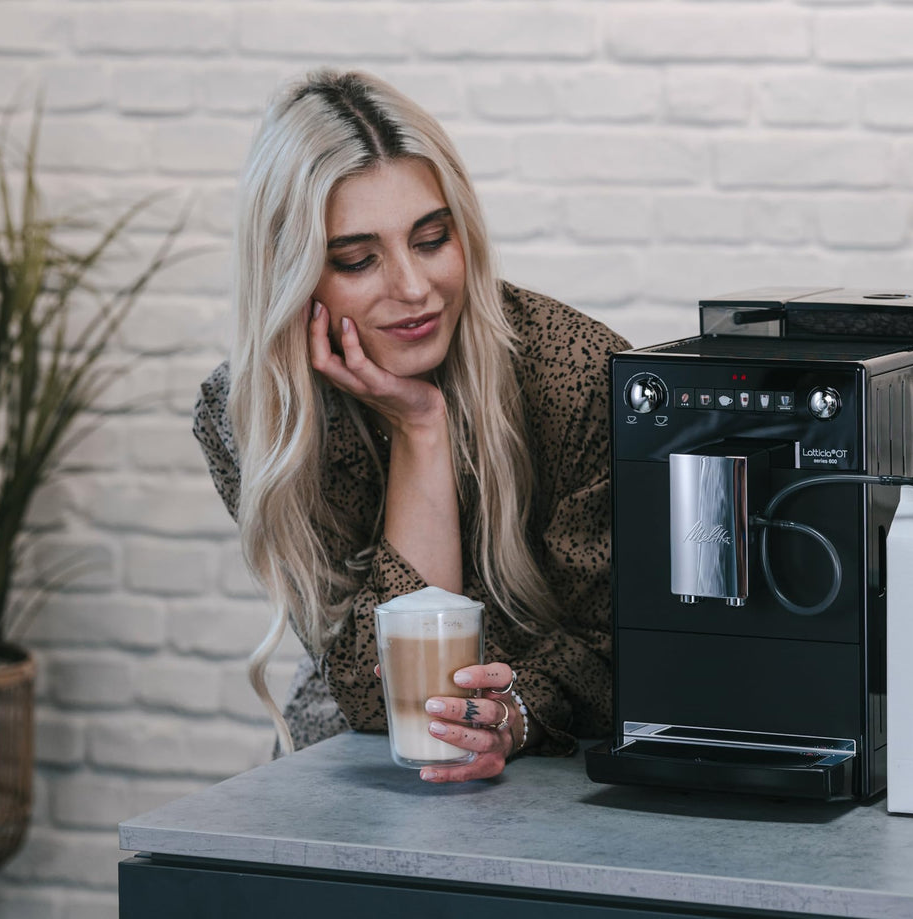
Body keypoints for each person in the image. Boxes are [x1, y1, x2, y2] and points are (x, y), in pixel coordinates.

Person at [193, 70, 629, 783]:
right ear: (292, 272)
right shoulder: (250, 413)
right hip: (350, 767)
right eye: (358, 259)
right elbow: (377, 695)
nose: (413, 288)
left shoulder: (576, 370)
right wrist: (422, 426)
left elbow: (615, 651)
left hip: (556, 769)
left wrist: (514, 711)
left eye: (430, 239)